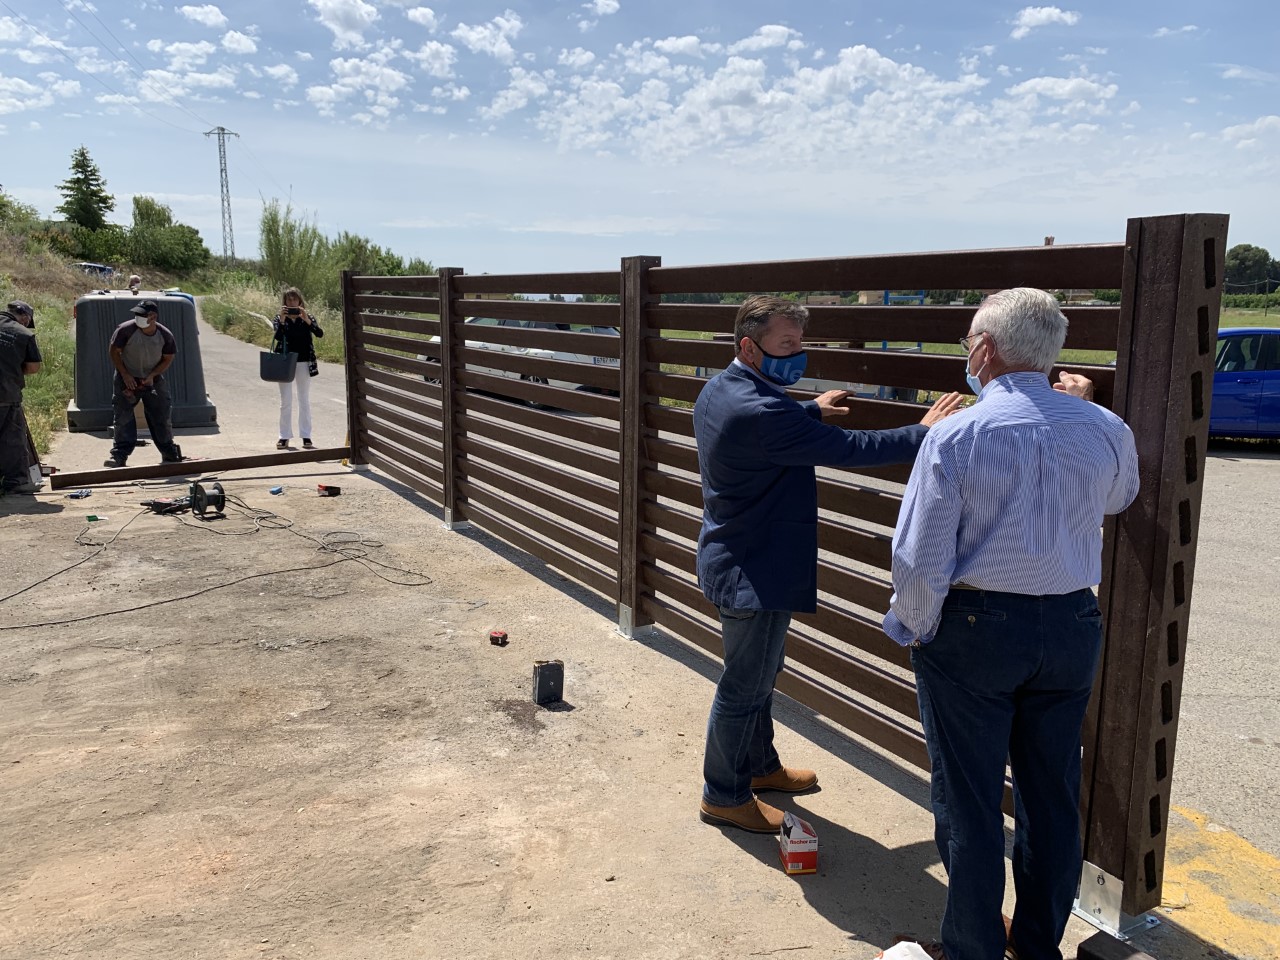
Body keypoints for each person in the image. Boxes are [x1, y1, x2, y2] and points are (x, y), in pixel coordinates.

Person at [884, 288, 1140, 960]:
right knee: (1051, 794)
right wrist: (1083, 411)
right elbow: (1120, 497)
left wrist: (915, 625)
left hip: (977, 627)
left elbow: (919, 556)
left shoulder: (957, 435)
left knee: (968, 798)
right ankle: (1035, 945)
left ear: (986, 350)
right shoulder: (1106, 428)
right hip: (1071, 620)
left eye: (970, 342)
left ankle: (972, 946)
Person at [694, 294, 965, 834]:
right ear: (749, 347)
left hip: (739, 557)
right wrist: (925, 431)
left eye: (801, 343)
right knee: (745, 687)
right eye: (786, 344)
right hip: (755, 571)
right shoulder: (764, 411)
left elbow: (763, 425)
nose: (797, 354)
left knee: (760, 675)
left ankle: (760, 766)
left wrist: (809, 411)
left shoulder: (722, 388)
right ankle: (723, 794)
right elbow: (850, 447)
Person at [104, 299, 183, 468]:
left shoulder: (165, 335)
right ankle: (119, 455)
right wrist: (125, 375)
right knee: (123, 417)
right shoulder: (125, 330)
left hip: (152, 378)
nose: (137, 317)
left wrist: (153, 375)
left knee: (161, 414)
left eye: (142, 315)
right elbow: (114, 352)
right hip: (127, 377)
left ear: (153, 317)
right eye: (136, 314)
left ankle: (169, 452)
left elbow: (168, 358)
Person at [271, 286, 323, 450]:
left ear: (300, 301)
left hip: (304, 361)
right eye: (289, 299)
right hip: (285, 362)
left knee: (304, 399)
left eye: (295, 299)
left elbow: (319, 333)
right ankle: (284, 436)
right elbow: (278, 337)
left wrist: (307, 320)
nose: (292, 302)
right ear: (285, 302)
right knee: (285, 400)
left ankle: (306, 435)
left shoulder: (307, 317)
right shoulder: (279, 318)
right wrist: (282, 320)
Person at [0, 300, 42, 494]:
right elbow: (33, 367)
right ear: (25, 317)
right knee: (11, 439)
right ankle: (15, 482)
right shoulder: (23, 334)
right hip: (6, 394)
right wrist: (13, 370)